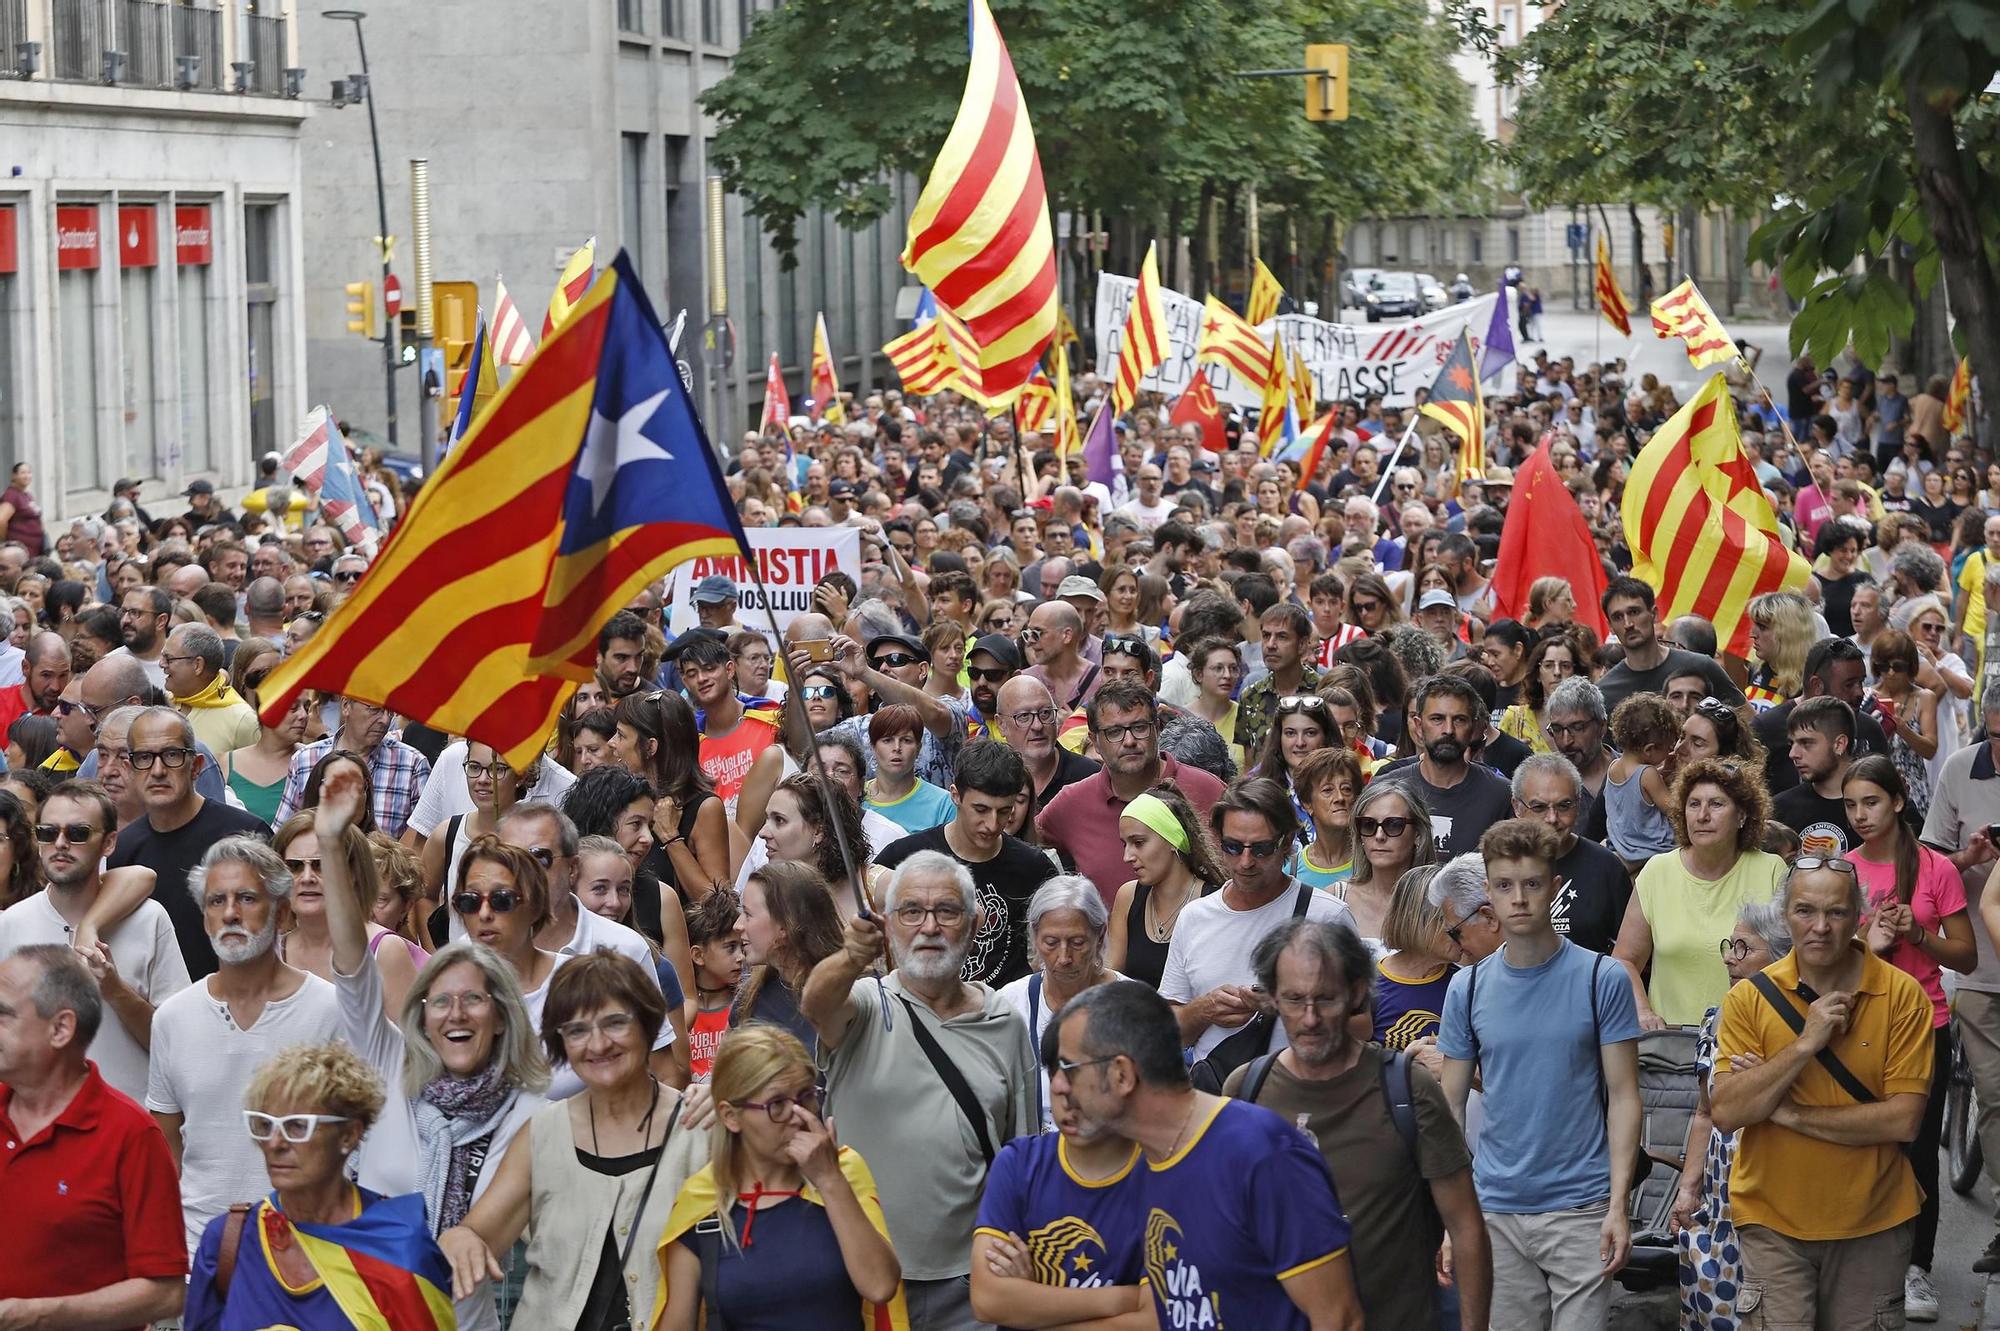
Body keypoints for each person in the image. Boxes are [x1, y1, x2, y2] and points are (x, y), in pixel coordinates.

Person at [800, 850, 1037, 1329]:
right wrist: (849, 957)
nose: (929, 926)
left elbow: (1023, 1154)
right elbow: (815, 1003)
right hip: (865, 1277)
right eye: (911, 911)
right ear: (888, 926)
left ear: (974, 924)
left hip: (973, 1281)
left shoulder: (1005, 1022)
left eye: (946, 911)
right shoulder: (865, 1004)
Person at [1050, 982, 1366, 1330]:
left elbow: (1339, 1318)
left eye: (1070, 1067)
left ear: (1122, 1074)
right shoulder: (1139, 1159)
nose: (1059, 1085)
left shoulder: (1260, 1152)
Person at [1224, 918, 1492, 1330]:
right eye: (1294, 1000)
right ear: (1273, 999)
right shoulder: (1247, 1089)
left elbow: (1466, 1225)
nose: (1309, 1018)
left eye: (1325, 999)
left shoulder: (1407, 1089)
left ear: (1356, 994)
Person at [1709, 856, 1933, 1329]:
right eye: (1805, 911)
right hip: (1773, 1222)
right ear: (1785, 915)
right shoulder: (1749, 998)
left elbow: (1902, 1120)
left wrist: (1788, 1114)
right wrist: (1805, 1044)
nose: (1820, 927)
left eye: (1836, 913)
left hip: (1874, 1222)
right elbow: (1727, 1111)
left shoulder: (1903, 995)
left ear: (1859, 917)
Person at [1440, 817, 1642, 1331]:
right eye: (1505, 886)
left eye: (1532, 884)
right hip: (1496, 1208)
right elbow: (1449, 1108)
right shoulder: (1467, 988)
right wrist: (1452, 1217)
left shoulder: (1603, 978)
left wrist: (1618, 1205)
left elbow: (1623, 1096)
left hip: (1581, 1205)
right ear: (1488, 894)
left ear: (1555, 888)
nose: (1520, 899)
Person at [438, 952, 707, 1331]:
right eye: (577, 1030)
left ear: (648, 1024)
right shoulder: (544, 1133)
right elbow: (480, 1233)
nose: (597, 1045)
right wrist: (460, 1240)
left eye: (614, 1024)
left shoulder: (700, 1128)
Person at [146, 836, 342, 1253]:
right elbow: (168, 1152)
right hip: (198, 1256)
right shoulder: (172, 1019)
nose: (230, 913)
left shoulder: (330, 1010)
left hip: (308, 1253)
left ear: (282, 911)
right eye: (216, 901)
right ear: (204, 917)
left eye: (247, 898)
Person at [181, 1042, 458, 1331]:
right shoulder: (228, 1241)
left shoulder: (400, 1246)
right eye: (265, 1125)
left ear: (349, 1135)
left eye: (298, 1126)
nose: (275, 1143)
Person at [654, 1024, 905, 1329]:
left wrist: (829, 1180)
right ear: (731, 1117)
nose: (799, 1115)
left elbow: (880, 1286)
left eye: (806, 1096)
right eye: (777, 1104)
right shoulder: (703, 1198)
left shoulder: (842, 1171)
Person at [1844, 753, 1975, 1316]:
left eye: (1871, 801)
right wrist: (1863, 938)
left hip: (1924, 1023)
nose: (1860, 815)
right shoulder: (1842, 870)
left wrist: (1919, 934)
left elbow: (1965, 956)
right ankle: (1860, 1258)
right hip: (1856, 1021)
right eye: (1850, 805)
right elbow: (1819, 953)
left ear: (1898, 801)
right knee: (1859, 1142)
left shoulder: (1934, 868)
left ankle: (1917, 1268)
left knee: (1917, 1147)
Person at [0, 944, 188, 1328]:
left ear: (60, 1029)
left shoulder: (131, 1134)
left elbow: (166, 1292)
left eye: (3, 1014)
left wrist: (39, 1315)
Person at [0, 779, 189, 1103]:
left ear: (109, 842)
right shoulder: (10, 924)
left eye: (78, 833)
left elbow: (178, 1045)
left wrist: (115, 990)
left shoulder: (149, 919)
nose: (60, 843)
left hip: (128, 1129)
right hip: (34, 1131)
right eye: (47, 832)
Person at [1160, 778, 1357, 1067]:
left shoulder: (1328, 915)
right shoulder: (1194, 917)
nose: (1245, 862)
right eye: (1233, 847)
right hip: (1221, 1101)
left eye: (1261, 849)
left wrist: (1286, 1005)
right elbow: (1167, 1034)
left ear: (1287, 842)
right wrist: (1203, 1010)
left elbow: (1364, 1026)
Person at [971, 1019, 1152, 1329]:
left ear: (1124, 1076)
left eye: (1078, 1071)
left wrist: (1032, 1304)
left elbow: (1154, 1319)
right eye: (1055, 1070)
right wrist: (1123, 1299)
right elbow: (988, 1298)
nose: (1061, 1088)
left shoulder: (1164, 1176)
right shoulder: (1019, 1163)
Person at [1668, 900, 1793, 1331]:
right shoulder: (1715, 1020)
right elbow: (1706, 1111)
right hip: (1720, 1203)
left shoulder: (1802, 1029)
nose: (1729, 958)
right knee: (1712, 1309)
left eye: (1743, 949)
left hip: (1776, 1196)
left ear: (1781, 959)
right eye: (1730, 946)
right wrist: (1688, 1189)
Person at [1615, 757, 1786, 1030]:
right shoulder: (1657, 871)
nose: (1702, 815)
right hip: (1672, 1049)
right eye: (1693, 804)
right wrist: (1642, 1011)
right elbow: (1624, 960)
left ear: (1741, 815)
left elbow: (1788, 962)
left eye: (1716, 804)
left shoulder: (1771, 870)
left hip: (1749, 1038)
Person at [109, 706, 274, 983]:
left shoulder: (247, 835)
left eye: (172, 755)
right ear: (131, 768)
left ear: (196, 766)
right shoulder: (123, 849)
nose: (158, 770)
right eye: (145, 758)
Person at [875, 740, 1059, 987]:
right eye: (981, 809)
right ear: (955, 795)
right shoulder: (907, 854)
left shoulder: (1034, 867)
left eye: (1004, 811)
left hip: (1002, 1009)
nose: (993, 824)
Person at [997, 876, 1123, 1131]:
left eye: (1077, 943)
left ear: (1100, 937)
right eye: (1051, 943)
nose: (1064, 958)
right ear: (1034, 937)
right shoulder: (1011, 1003)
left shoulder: (1133, 1005)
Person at [611, 690, 733, 908]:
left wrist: (671, 838)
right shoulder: (621, 797)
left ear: (650, 747)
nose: (611, 743)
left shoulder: (704, 807)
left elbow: (719, 905)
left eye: (620, 735)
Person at [1376, 674, 1515, 858]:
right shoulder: (1386, 788)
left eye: (1459, 719)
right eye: (1437, 719)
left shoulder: (1501, 795)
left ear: (1473, 727)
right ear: (1418, 725)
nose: (1448, 730)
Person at [1511, 752, 1633, 955]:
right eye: (1539, 807)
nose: (1552, 818)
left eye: (1563, 806)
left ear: (1578, 804)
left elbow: (1629, 954)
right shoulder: (1497, 865)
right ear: (1516, 807)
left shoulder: (1606, 867)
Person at [1105, 786, 1225, 990]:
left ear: (1173, 839)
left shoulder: (1216, 902)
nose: (1127, 857)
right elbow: (1111, 975)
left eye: (1139, 842)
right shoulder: (1128, 896)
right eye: (1125, 844)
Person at [276, 695, 432, 839]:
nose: (385, 720)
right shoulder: (305, 760)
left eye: (390, 712)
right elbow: (283, 835)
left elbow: (420, 846)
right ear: (346, 706)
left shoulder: (412, 764)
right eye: (374, 709)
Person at [731, 860, 846, 1049]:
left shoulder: (850, 993)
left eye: (748, 914)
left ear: (786, 925)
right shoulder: (750, 998)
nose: (737, 925)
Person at [1597, 577, 1746, 715]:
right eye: (1618, 617)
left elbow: (1750, 724)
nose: (1628, 624)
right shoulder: (1605, 691)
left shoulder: (1701, 666)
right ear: (1610, 626)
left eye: (1634, 612)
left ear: (1654, 613)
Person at [1776, 696, 1861, 856]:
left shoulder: (1876, 805)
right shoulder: (1780, 809)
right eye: (1791, 744)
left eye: (1806, 743)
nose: (1793, 754)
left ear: (1839, 744)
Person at [1605, 694, 1682, 868]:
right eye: (1667, 747)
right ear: (1649, 750)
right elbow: (1673, 809)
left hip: (1621, 845)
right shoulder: (1648, 774)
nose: (1670, 753)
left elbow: (1637, 791)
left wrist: (1664, 771)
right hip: (1649, 849)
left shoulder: (1614, 767)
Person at [162, 624, 259, 758]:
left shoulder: (243, 720)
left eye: (168, 659)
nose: (161, 664)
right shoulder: (163, 704)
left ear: (198, 665)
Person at [862, 703, 956, 834]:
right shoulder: (856, 799)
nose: (896, 748)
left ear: (918, 748)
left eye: (906, 740)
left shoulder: (943, 804)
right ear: (873, 747)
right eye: (887, 740)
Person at [682, 889, 743, 1080]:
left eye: (743, 946)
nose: (741, 957)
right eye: (730, 948)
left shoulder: (745, 1005)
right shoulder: (679, 1011)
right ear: (698, 955)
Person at [1289, 744, 1364, 891]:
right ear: (1307, 803)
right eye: (1328, 790)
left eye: (1347, 789)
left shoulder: (1373, 862)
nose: (1340, 798)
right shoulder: (1291, 870)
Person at [1500, 636, 1581, 755]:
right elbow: (1495, 766)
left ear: (1576, 673)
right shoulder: (1515, 718)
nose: (1557, 672)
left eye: (1565, 666)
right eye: (1548, 665)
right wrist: (1513, 754)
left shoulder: (1587, 719)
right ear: (1537, 674)